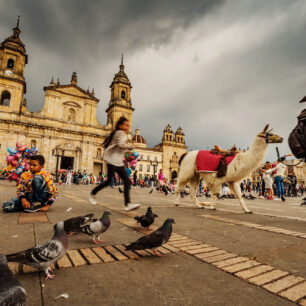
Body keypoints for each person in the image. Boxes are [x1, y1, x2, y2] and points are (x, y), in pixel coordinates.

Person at [89, 117, 140, 211]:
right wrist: (131, 146)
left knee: (125, 181)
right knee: (111, 181)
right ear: (120, 125)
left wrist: (128, 153)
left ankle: (127, 204)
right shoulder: (120, 133)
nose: (128, 126)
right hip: (112, 161)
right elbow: (121, 145)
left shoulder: (122, 134)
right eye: (126, 125)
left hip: (118, 162)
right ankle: (92, 193)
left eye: (128, 125)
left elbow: (121, 148)